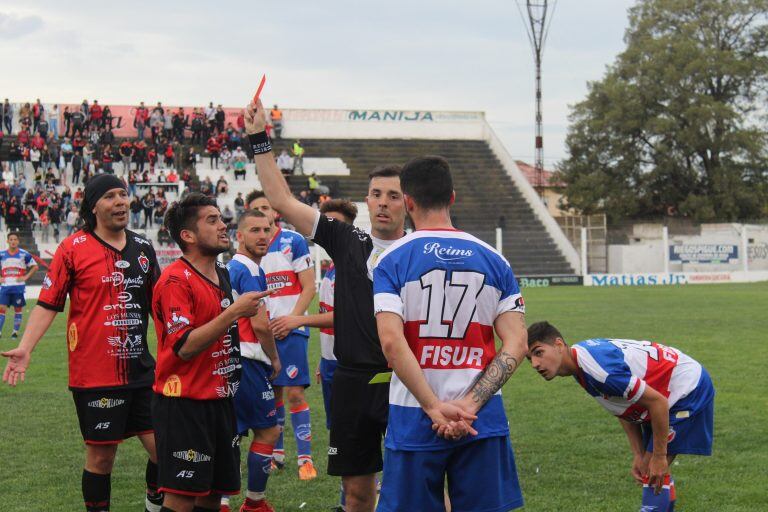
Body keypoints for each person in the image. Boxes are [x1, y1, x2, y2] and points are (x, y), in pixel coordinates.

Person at [244, 99, 405, 512]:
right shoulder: (348, 240)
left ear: (409, 202)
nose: (383, 202)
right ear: (367, 201)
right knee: (357, 494)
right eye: (376, 194)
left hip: (407, 380)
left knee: (416, 485)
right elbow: (279, 198)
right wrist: (260, 138)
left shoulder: (420, 249)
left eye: (393, 195)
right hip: (352, 379)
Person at [372, 155, 528, 512]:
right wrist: (470, 405)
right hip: (482, 417)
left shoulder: (392, 259)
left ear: (408, 202)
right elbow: (517, 343)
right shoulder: (494, 259)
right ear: (452, 197)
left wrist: (433, 406)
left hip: (413, 413)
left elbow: (392, 343)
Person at [2, 174, 164, 512]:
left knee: (164, 450)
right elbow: (48, 303)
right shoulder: (72, 249)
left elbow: (161, 306)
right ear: (94, 206)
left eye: (123, 194)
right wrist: (26, 348)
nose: (121, 201)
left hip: (143, 371)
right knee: (102, 457)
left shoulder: (144, 248)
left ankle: (153, 503)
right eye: (110, 196)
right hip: (95, 375)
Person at [151, 193, 269, 512]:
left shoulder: (222, 274)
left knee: (214, 495)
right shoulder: (175, 280)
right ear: (187, 236)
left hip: (219, 400)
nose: (223, 225)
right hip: (184, 403)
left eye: (221, 218)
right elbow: (184, 346)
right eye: (212, 220)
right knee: (181, 496)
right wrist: (234, 312)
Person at [526, 322, 716, 511]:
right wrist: (638, 453)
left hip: (686, 388)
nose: (535, 364)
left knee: (653, 469)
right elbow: (622, 405)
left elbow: (658, 403)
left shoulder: (599, 371)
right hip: (663, 390)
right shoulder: (579, 360)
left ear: (559, 345)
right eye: (529, 359)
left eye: (538, 353)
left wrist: (659, 456)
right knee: (650, 467)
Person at [270, 199, 357, 511]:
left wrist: (298, 320)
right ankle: (349, 500)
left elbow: (348, 316)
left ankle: (370, 490)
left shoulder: (353, 264)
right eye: (325, 223)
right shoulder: (333, 266)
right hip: (333, 362)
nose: (328, 229)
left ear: (349, 228)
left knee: (357, 433)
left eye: (336, 223)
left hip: (353, 365)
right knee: (339, 432)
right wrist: (324, 359)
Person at [245, 190, 317, 479]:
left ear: (275, 210)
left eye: (266, 207)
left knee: (295, 393)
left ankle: (305, 459)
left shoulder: (293, 241)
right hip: (262, 333)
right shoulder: (250, 249)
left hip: (291, 329)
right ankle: (276, 454)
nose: (263, 213)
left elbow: (309, 287)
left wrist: (293, 319)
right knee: (271, 395)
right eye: (256, 210)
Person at [221, 210, 282, 512]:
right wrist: (274, 358)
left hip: (229, 359)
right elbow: (259, 325)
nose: (262, 235)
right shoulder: (248, 270)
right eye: (255, 229)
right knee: (268, 431)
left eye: (267, 229)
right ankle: (254, 503)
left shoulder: (231, 268)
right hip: (248, 359)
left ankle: (218, 502)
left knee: (230, 431)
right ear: (239, 236)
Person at [0, 232, 38, 338]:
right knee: (1, 308)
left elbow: (35, 266)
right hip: (5, 287)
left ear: (18, 241)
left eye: (15, 239)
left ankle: (14, 333)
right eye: (11, 239)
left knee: (18, 309)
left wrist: (25, 277)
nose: (13, 241)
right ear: (7, 241)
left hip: (18, 287)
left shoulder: (24, 254)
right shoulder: (2, 254)